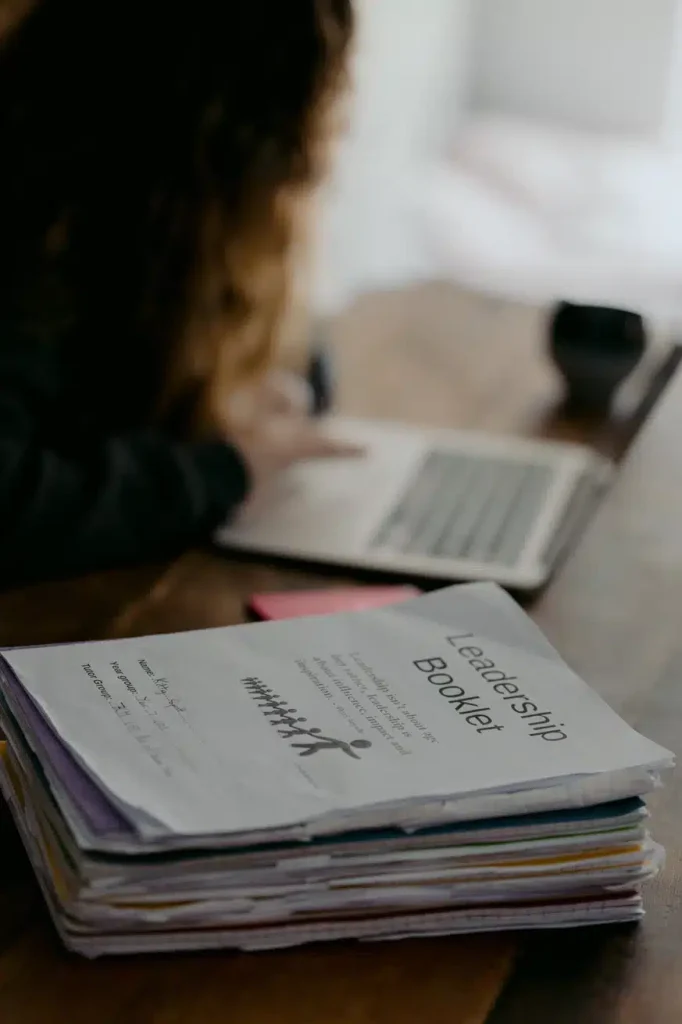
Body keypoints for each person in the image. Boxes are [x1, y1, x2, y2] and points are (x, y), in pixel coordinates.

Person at [0, 0, 357, 586]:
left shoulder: (166, 229)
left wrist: (274, 388)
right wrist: (226, 470)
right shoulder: (36, 235)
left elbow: (294, 349)